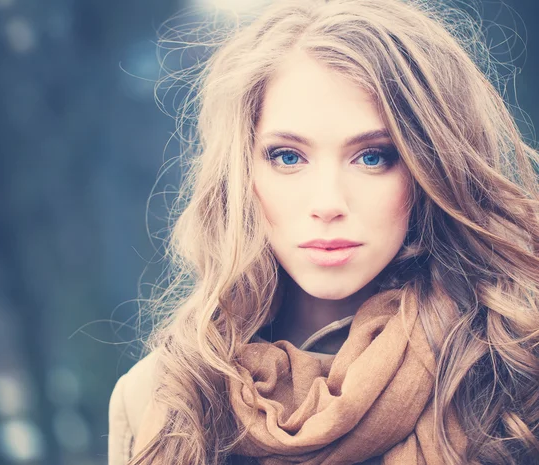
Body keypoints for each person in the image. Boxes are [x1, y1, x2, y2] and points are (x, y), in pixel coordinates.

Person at [108, 0, 539, 463]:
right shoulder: (159, 398)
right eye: (288, 157)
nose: (328, 203)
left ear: (432, 168)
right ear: (241, 173)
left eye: (373, 156)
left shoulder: (516, 367)